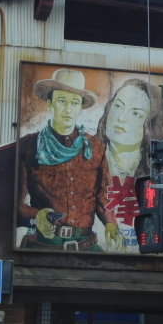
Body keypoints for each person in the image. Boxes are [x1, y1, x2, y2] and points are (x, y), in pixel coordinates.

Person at [17, 68, 124, 253]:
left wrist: (111, 224)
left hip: (86, 246)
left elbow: (102, 195)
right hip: (42, 245)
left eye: (74, 102)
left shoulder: (95, 147)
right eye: (61, 101)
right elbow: (13, 206)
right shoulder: (28, 146)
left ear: (81, 107)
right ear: (50, 104)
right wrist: (37, 216)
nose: (68, 109)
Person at [96, 79, 163, 252]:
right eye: (118, 106)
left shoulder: (158, 173)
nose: (121, 118)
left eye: (136, 114)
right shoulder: (86, 160)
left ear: (150, 127)